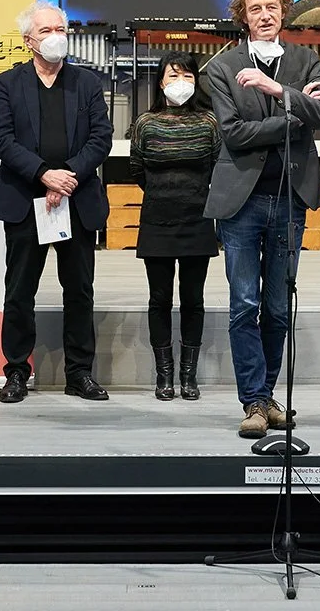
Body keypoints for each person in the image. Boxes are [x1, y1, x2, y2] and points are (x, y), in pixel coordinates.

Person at [204, 0, 320, 438]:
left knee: (278, 308)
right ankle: (254, 402)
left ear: (283, 11)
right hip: (241, 202)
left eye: (272, 6)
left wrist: (277, 91)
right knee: (244, 304)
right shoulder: (222, 67)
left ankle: (267, 394)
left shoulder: (305, 60)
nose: (265, 15)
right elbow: (234, 133)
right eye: (255, 8)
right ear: (242, 15)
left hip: (289, 198)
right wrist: (294, 117)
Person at [0, 0, 113, 403]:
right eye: (46, 31)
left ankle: (80, 373)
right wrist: (44, 174)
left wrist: (67, 176)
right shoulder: (8, 83)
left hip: (76, 199)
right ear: (28, 40)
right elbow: (3, 140)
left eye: (61, 30)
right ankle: (16, 372)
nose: (56, 37)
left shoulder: (87, 83)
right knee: (19, 291)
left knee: (79, 291)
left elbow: (101, 138)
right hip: (26, 200)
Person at [129, 51, 219, 401]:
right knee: (160, 299)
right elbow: (137, 169)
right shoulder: (145, 123)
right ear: (160, 81)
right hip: (157, 219)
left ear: (196, 81)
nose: (180, 82)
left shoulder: (209, 122)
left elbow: (216, 166)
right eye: (173, 75)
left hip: (197, 219)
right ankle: (164, 375)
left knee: (193, 299)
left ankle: (188, 376)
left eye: (187, 76)